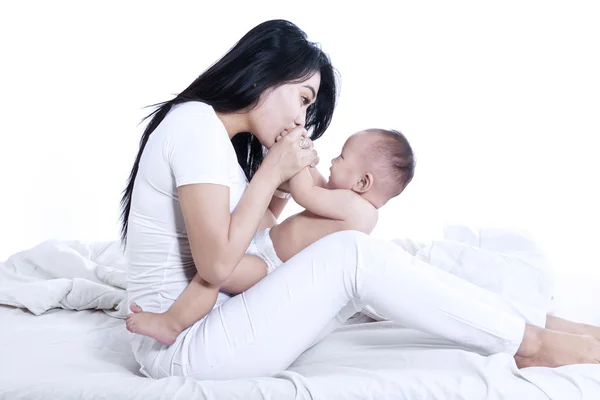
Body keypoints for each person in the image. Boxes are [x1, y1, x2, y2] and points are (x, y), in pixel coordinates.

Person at [122, 19, 600, 380]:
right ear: (266, 74)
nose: (303, 119)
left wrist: (279, 185)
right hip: (186, 345)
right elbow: (217, 266)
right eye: (305, 98)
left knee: (404, 260)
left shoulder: (212, 138)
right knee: (354, 255)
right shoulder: (195, 125)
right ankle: (531, 343)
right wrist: (273, 171)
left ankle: (542, 323)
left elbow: (252, 233)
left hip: (222, 317)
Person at [125, 128, 416, 345]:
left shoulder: (358, 210)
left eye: (341, 157)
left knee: (213, 275)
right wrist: (302, 156)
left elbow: (305, 193)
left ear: (363, 182)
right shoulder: (349, 199)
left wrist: (294, 162)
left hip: (271, 267)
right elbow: (317, 183)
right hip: (266, 243)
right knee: (248, 208)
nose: (332, 161)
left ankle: (172, 324)